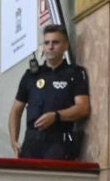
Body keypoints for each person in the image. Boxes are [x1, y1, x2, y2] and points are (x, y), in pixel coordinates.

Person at [10, 24, 91, 160]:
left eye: (55, 42)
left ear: (65, 46)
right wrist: (14, 140)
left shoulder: (75, 73)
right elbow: (16, 110)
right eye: (47, 43)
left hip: (59, 142)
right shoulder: (31, 75)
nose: (50, 46)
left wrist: (56, 116)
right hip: (31, 142)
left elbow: (83, 108)